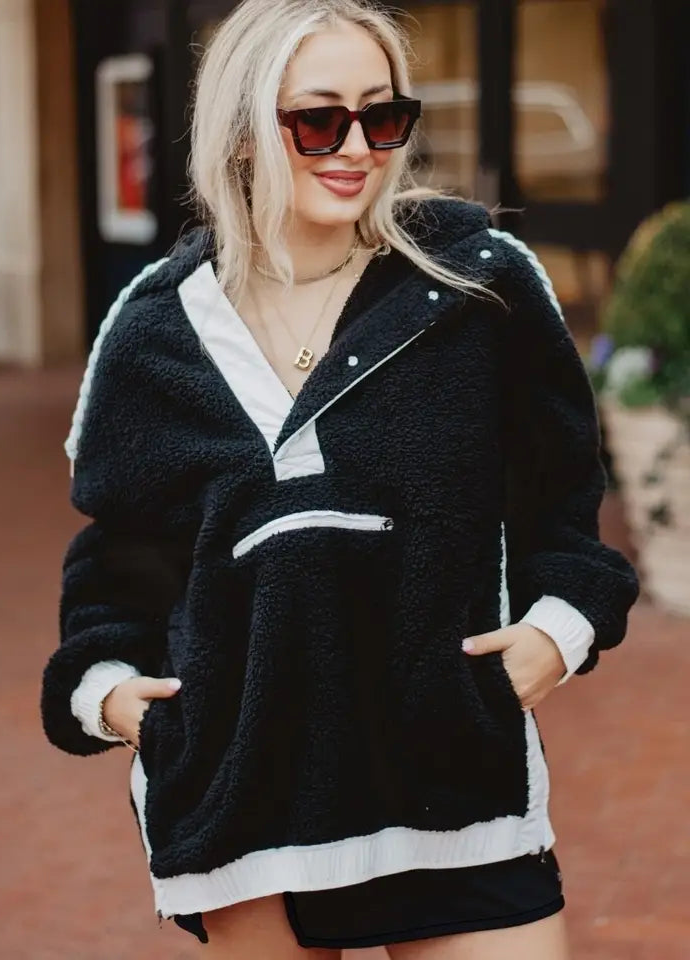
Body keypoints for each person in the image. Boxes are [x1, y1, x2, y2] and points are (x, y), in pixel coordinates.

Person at [40, 1, 639, 957]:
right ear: (243, 131)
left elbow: (565, 502)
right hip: (242, 807)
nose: (357, 148)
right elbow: (119, 563)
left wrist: (556, 634)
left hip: (455, 783)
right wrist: (110, 692)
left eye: (382, 115)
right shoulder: (152, 329)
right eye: (318, 120)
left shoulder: (477, 285)